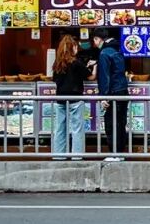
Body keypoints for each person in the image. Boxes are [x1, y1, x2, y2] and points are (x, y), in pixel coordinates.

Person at [51, 35, 89, 160]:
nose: (77, 49)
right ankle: (77, 156)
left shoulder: (57, 64)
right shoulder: (76, 63)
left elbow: (55, 80)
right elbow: (90, 77)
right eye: (76, 47)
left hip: (60, 99)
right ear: (72, 48)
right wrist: (94, 67)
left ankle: (58, 155)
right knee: (77, 129)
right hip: (75, 99)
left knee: (60, 128)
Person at [94, 27, 129, 162]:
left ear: (98, 39)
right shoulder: (117, 49)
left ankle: (114, 153)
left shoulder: (104, 53)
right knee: (120, 123)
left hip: (113, 93)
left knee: (111, 123)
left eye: (95, 40)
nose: (95, 44)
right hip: (122, 91)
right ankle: (120, 153)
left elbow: (105, 77)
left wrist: (104, 96)